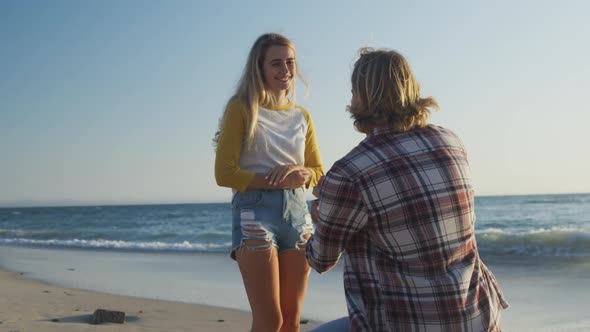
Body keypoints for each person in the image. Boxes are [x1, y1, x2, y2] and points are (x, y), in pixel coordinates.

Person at [306, 48, 508, 331]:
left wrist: (320, 218)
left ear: (361, 96)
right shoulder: (452, 142)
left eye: (353, 91)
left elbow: (321, 258)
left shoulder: (350, 172)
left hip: (409, 322)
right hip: (479, 317)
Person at [214, 33, 324, 332]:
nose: (285, 70)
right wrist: (275, 181)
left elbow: (316, 171)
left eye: (290, 62)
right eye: (276, 63)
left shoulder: (303, 116)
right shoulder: (241, 108)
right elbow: (224, 173)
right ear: (259, 68)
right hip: (254, 213)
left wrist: (303, 174)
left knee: (291, 319)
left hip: (298, 215)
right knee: (269, 320)